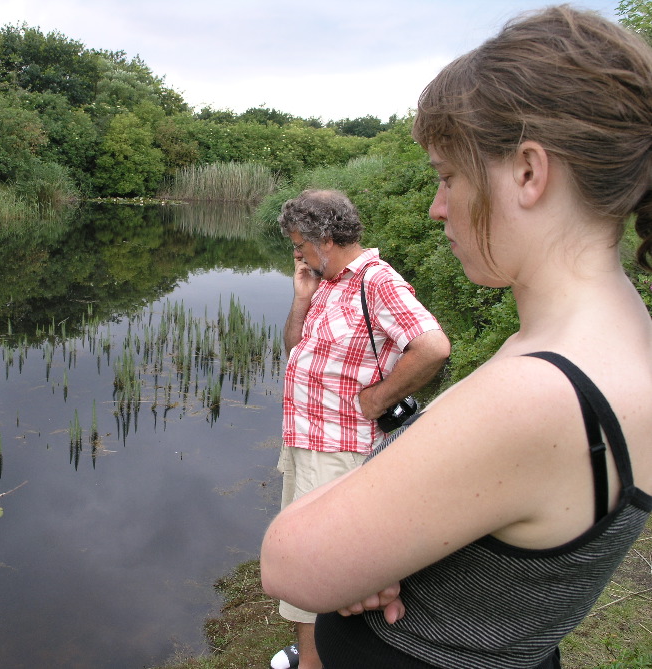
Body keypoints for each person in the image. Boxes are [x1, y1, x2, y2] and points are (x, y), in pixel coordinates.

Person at [261, 5, 652, 669]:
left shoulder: (541, 391)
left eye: (447, 176)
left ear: (528, 172)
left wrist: (357, 558)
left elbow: (289, 564)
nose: (435, 206)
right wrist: (383, 547)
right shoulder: (618, 336)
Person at [271, 189, 451, 669]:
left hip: (342, 453)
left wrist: (379, 397)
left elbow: (432, 347)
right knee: (308, 558)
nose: (297, 255)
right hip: (309, 442)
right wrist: (302, 297)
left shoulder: (377, 282)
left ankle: (314, 662)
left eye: (300, 245)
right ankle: (314, 652)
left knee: (319, 564)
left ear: (324, 238)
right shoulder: (328, 282)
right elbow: (296, 347)